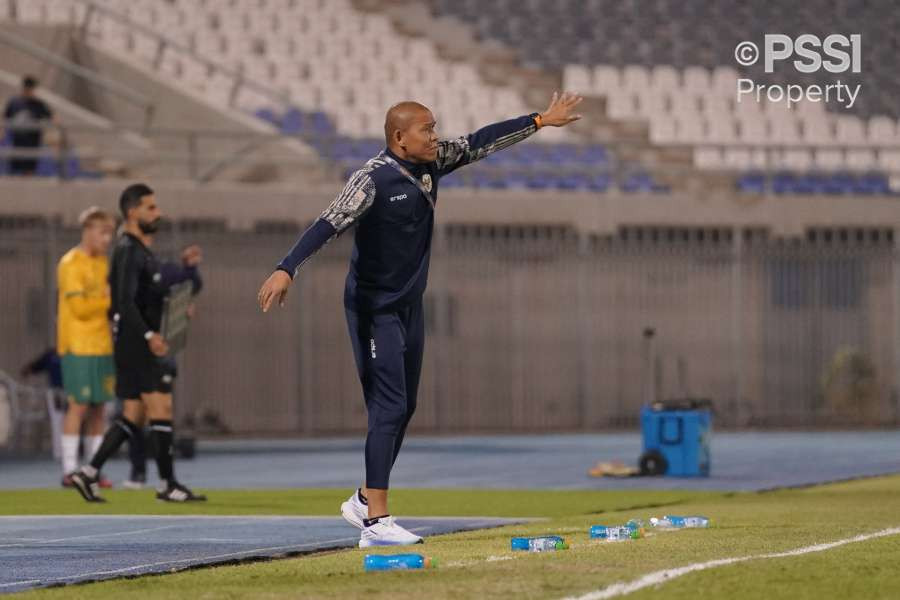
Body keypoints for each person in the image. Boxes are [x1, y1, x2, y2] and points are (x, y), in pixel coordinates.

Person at [258, 92, 583, 546]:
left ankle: (362, 499)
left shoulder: (433, 163)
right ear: (398, 137)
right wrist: (286, 267)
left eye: (433, 128)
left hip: (409, 305)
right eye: (426, 129)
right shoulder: (370, 180)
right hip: (374, 309)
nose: (435, 136)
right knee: (387, 407)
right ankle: (376, 519)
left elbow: (481, 141)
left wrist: (540, 120)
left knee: (404, 407)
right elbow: (328, 221)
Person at [70, 184, 206, 502]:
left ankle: (88, 473)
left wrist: (179, 304)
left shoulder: (140, 251)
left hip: (132, 343)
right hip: (137, 343)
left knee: (134, 415)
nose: (157, 213)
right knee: (162, 407)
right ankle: (168, 483)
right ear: (132, 212)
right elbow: (123, 302)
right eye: (151, 207)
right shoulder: (128, 250)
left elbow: (152, 295)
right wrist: (149, 335)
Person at [56, 207, 116, 489]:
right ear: (88, 231)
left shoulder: (103, 263)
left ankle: (93, 468)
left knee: (99, 409)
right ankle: (69, 470)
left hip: (102, 344)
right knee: (77, 405)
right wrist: (106, 299)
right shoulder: (70, 263)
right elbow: (79, 308)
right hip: (77, 344)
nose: (106, 239)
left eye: (110, 234)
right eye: (102, 233)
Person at [3, 75, 54, 176]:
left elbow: (51, 118)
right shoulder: (15, 102)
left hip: (32, 142)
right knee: (14, 170)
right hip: (17, 142)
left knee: (29, 170)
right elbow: (5, 118)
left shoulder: (39, 104)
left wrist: (48, 133)